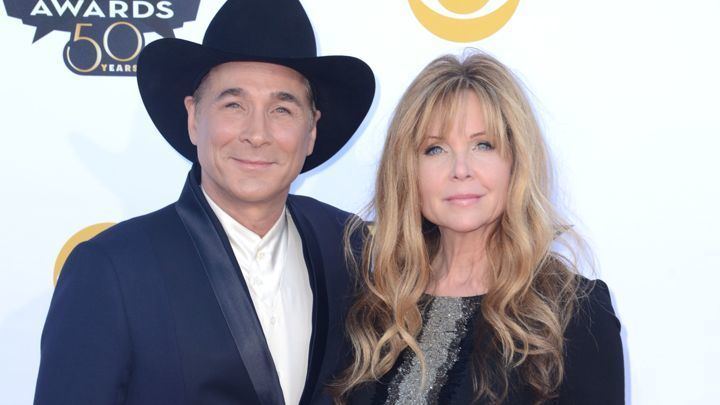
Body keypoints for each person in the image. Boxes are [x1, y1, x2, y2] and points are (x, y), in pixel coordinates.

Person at [33, 1, 374, 404]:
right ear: (194, 119)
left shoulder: (352, 247)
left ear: (311, 130)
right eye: (234, 105)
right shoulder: (111, 269)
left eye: (282, 109)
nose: (257, 133)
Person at [333, 52, 623, 404]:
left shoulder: (575, 314)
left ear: (516, 162)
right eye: (435, 149)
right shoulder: (371, 307)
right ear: (406, 170)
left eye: (483, 145)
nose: (460, 169)